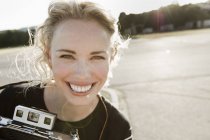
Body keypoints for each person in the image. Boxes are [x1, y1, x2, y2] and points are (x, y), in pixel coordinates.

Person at [0, 0, 132, 140]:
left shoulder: (118, 129)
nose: (82, 74)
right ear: (48, 57)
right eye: (67, 56)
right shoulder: (10, 101)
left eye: (97, 57)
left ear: (111, 58)